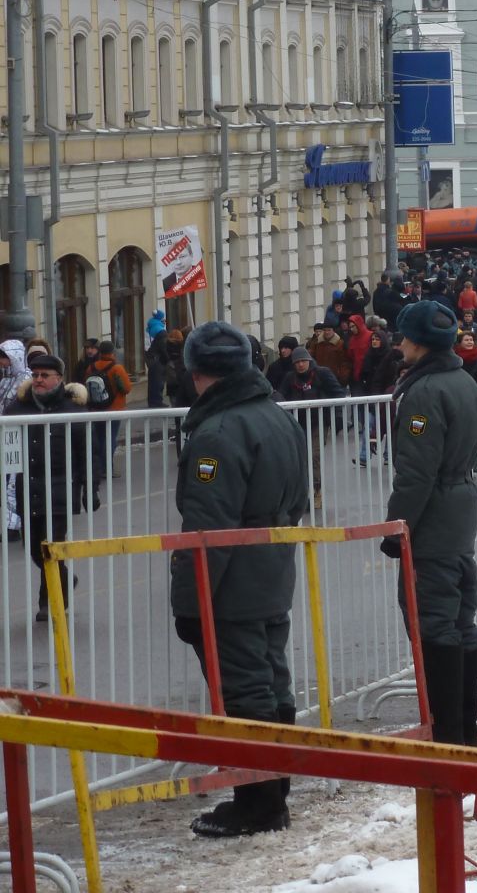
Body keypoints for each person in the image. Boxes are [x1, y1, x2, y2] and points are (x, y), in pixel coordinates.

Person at [171, 321, 309, 838]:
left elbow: (207, 527)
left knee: (243, 689)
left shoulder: (219, 431)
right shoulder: (276, 416)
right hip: (273, 563)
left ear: (198, 370)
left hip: (234, 579)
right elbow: (299, 497)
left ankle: (258, 802)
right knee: (271, 678)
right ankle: (274, 791)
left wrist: (190, 602)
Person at [383, 302, 477, 745]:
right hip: (460, 508)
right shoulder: (463, 380)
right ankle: (465, 725)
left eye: (404, 336)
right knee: (461, 619)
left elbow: (417, 472)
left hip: (435, 518)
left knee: (433, 621)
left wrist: (396, 526)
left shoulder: (424, 392)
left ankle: (448, 731)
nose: (399, 343)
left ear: (420, 342)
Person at [5, 354, 80, 623]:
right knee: (35, 549)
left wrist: (88, 488)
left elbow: (87, 452)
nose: (38, 380)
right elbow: (7, 447)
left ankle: (48, 602)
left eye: (44, 375)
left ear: (58, 379)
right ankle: (65, 579)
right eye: (35, 375)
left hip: (59, 489)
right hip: (29, 488)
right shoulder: (18, 408)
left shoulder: (72, 410)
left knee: (52, 548)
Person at [273, 347, 347, 506]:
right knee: (299, 457)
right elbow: (281, 394)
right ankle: (301, 492)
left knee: (314, 455)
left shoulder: (322, 374)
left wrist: (338, 416)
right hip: (296, 423)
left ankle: (316, 490)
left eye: (303, 361)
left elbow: (338, 394)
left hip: (318, 422)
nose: (300, 365)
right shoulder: (290, 377)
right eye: (297, 362)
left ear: (309, 360)